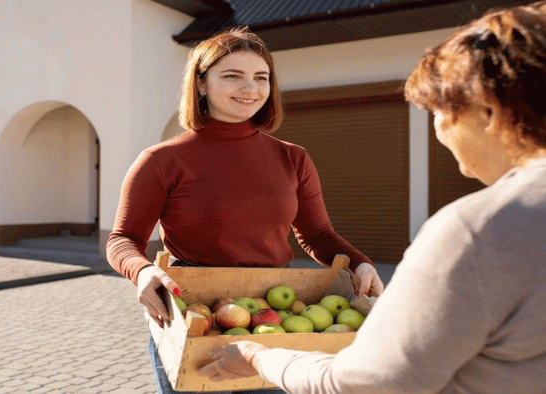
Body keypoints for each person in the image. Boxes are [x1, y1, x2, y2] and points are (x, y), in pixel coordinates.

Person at [197, 2, 546, 393]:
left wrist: (257, 356)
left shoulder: (477, 229)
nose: (441, 131)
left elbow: (369, 383)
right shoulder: (166, 158)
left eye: (441, 112)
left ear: (487, 111)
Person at [107, 27, 384, 394]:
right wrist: (141, 273)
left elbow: (316, 235)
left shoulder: (293, 157)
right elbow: (123, 239)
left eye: (261, 77)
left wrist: (359, 262)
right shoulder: (162, 160)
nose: (250, 88)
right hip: (193, 309)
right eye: (232, 76)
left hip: (274, 309)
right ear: (201, 84)